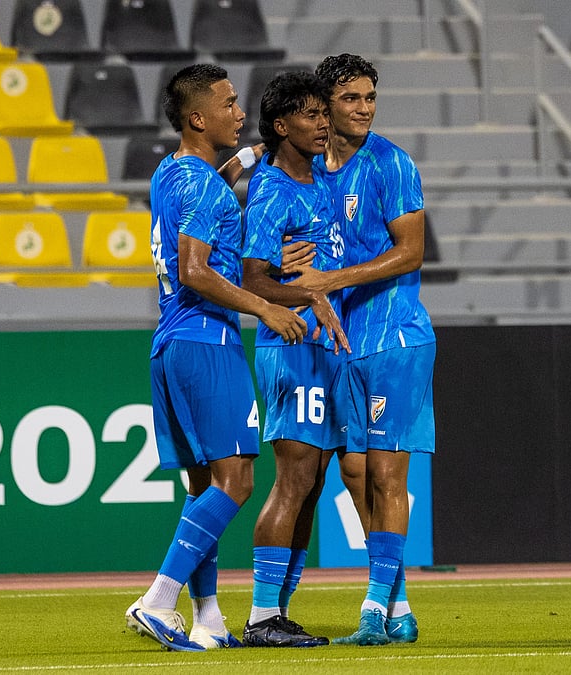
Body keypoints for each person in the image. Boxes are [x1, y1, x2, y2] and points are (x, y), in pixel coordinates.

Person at [125, 63, 312, 653]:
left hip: (170, 343)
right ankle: (159, 599)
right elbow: (196, 269)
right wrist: (266, 307)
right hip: (209, 340)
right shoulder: (205, 186)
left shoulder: (170, 172)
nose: (239, 110)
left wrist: (246, 159)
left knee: (202, 483)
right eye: (229, 103)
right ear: (198, 117)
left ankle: (207, 616)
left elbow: (206, 190)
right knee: (235, 483)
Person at [291, 53, 435, 646]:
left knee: (385, 475)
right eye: (351, 98)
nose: (364, 108)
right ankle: (398, 608)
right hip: (344, 340)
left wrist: (331, 280)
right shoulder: (313, 171)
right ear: (324, 105)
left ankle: (374, 611)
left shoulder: (392, 163)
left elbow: (411, 252)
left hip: (396, 336)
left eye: (370, 97)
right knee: (353, 474)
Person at [239, 71, 347, 648]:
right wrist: (307, 294)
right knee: (292, 479)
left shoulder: (321, 181)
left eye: (322, 113)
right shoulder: (274, 188)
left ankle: (278, 609)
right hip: (289, 347)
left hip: (323, 348)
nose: (323, 122)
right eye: (309, 114)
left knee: (312, 481)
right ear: (282, 126)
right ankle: (259, 617)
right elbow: (254, 281)